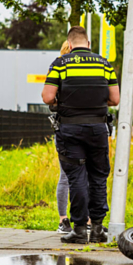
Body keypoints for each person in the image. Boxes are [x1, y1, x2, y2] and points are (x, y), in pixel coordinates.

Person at [42, 26, 120, 244]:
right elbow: (115, 99)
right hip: (97, 129)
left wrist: (68, 101)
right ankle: (96, 229)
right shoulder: (104, 64)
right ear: (88, 44)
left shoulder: (60, 64)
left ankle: (78, 230)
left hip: (70, 130)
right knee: (98, 177)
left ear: (70, 42)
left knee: (76, 178)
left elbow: (48, 97)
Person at [52, 39, 72, 234]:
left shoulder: (56, 68)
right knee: (89, 175)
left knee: (65, 175)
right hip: (85, 125)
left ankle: (63, 221)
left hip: (64, 126)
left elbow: (49, 98)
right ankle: (90, 221)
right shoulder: (85, 68)